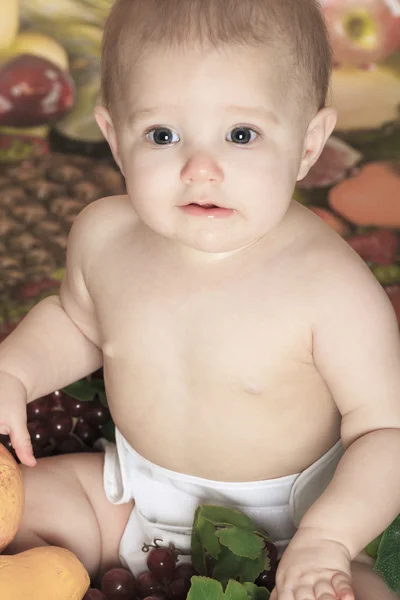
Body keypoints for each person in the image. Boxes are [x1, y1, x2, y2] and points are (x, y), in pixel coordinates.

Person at [1, 0, 399, 598]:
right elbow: (79, 323)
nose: (201, 168)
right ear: (114, 138)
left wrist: (331, 539)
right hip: (134, 495)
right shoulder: (105, 236)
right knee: (20, 506)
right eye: (162, 135)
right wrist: (16, 369)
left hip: (294, 523)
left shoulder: (331, 287)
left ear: (310, 144)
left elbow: (386, 432)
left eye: (242, 134)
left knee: (359, 591)